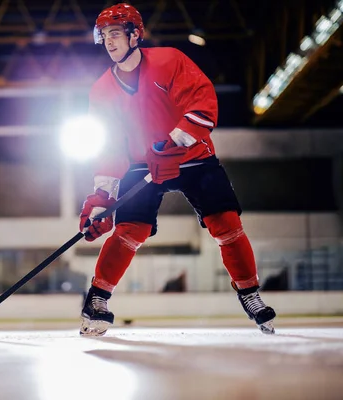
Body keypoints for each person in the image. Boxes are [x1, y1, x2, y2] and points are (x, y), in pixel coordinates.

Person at [78, 3, 276, 336]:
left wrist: (173, 144)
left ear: (135, 35)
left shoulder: (169, 60)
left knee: (225, 223)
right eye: (105, 36)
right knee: (128, 230)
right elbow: (110, 146)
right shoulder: (100, 90)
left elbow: (201, 101)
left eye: (115, 34)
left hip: (193, 157)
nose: (109, 42)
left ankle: (250, 293)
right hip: (141, 164)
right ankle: (97, 301)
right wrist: (101, 197)